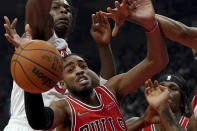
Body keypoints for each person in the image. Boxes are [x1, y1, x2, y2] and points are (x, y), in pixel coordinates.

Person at [24, 0, 169, 130]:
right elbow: (38, 121)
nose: (79, 70)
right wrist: (30, 72)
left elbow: (157, 61)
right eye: (70, 69)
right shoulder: (65, 108)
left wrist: (150, 24)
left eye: (83, 66)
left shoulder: (111, 90)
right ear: (62, 84)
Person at [3, 0, 115, 130]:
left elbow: (107, 89)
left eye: (67, 9)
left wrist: (104, 46)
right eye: (55, 7)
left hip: (52, 124)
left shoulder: (70, 59)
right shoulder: (39, 42)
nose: (63, 11)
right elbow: (37, 8)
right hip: (26, 126)